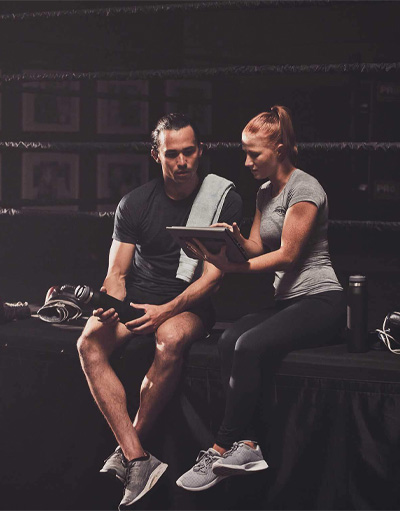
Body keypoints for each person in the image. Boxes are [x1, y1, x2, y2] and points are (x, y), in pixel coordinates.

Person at [77, 113, 243, 509]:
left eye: (189, 152)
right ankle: (138, 458)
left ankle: (128, 450)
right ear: (156, 155)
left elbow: (213, 279)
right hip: (137, 301)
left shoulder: (223, 199)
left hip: (187, 305)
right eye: (172, 154)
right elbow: (116, 274)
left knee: (168, 338)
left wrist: (164, 310)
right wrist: (111, 304)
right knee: (87, 343)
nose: (182, 162)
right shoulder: (134, 204)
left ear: (200, 152)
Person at [176, 105, 345, 491]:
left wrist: (232, 269)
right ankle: (248, 443)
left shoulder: (305, 188)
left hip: (321, 299)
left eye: (255, 153)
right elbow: (254, 246)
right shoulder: (265, 192)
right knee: (229, 340)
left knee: (249, 345)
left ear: (280, 150)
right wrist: (226, 239)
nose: (247, 161)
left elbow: (287, 254)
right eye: (245, 152)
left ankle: (221, 446)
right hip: (287, 302)